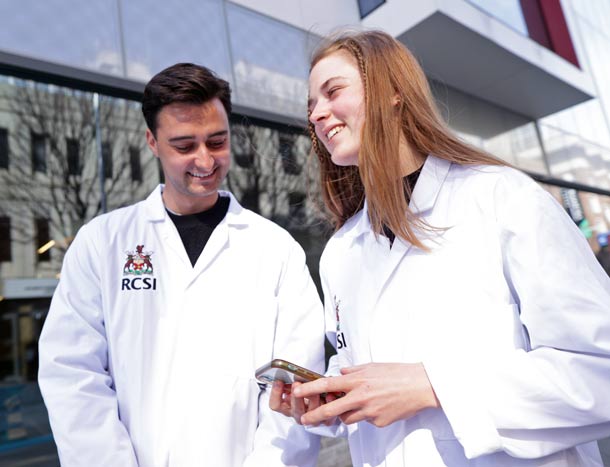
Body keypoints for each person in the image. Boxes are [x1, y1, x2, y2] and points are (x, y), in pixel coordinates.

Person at [270, 30, 610, 466]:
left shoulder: (501, 198)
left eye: (332, 91)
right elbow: (363, 365)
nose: (317, 114)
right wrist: (329, 395)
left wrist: (433, 387)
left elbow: (599, 369)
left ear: (393, 91)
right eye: (311, 105)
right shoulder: (341, 251)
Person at [38, 63, 325, 466]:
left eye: (217, 141)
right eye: (185, 146)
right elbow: (72, 375)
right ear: (153, 142)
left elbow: (295, 389)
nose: (205, 161)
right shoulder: (102, 243)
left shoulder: (276, 250)